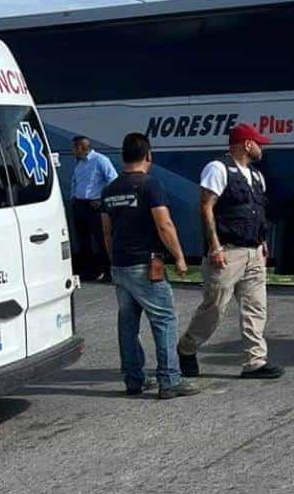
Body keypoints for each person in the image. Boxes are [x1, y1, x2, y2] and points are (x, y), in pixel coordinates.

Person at [177, 123, 283, 380]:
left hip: (254, 252)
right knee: (214, 308)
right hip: (227, 253)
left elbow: (257, 212)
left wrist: (263, 243)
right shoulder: (218, 168)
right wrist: (214, 246)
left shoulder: (257, 176)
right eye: (258, 143)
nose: (262, 147)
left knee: (256, 308)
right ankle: (187, 348)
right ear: (247, 144)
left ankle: (255, 362)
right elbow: (206, 207)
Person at [99, 132, 198, 398]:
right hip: (145, 264)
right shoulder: (150, 185)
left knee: (127, 324)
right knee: (164, 319)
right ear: (149, 156)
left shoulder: (109, 189)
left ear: (122, 157)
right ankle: (170, 380)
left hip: (120, 265)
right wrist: (179, 256)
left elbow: (107, 232)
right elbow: (164, 224)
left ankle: (134, 379)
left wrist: (114, 261)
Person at [69, 136, 117, 281]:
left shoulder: (100, 160)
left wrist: (102, 200)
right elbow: (76, 182)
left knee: (101, 239)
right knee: (83, 241)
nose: (72, 151)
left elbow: (113, 180)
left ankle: (109, 271)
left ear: (81, 147)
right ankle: (89, 272)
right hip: (79, 205)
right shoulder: (79, 164)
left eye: (74, 148)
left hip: (95, 206)